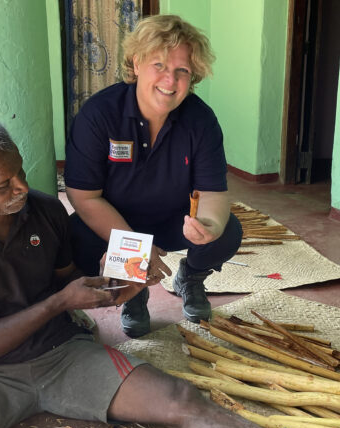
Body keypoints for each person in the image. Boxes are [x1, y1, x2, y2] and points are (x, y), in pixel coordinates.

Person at [0, 116, 340, 428]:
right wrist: (59, 302)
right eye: (2, 184)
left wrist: (114, 290)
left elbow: (66, 284)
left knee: (181, 399)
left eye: (21, 172)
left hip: (61, 353)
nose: (21, 188)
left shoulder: (45, 211)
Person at [65, 14, 243, 338]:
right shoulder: (99, 115)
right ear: (135, 63)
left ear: (193, 77)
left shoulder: (200, 121)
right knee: (74, 237)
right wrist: (133, 246)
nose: (170, 80)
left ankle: (190, 277)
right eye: (158, 65)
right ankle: (135, 292)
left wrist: (210, 225)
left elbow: (213, 192)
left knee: (228, 231)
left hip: (173, 222)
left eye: (182, 71)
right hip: (117, 220)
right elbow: (84, 197)